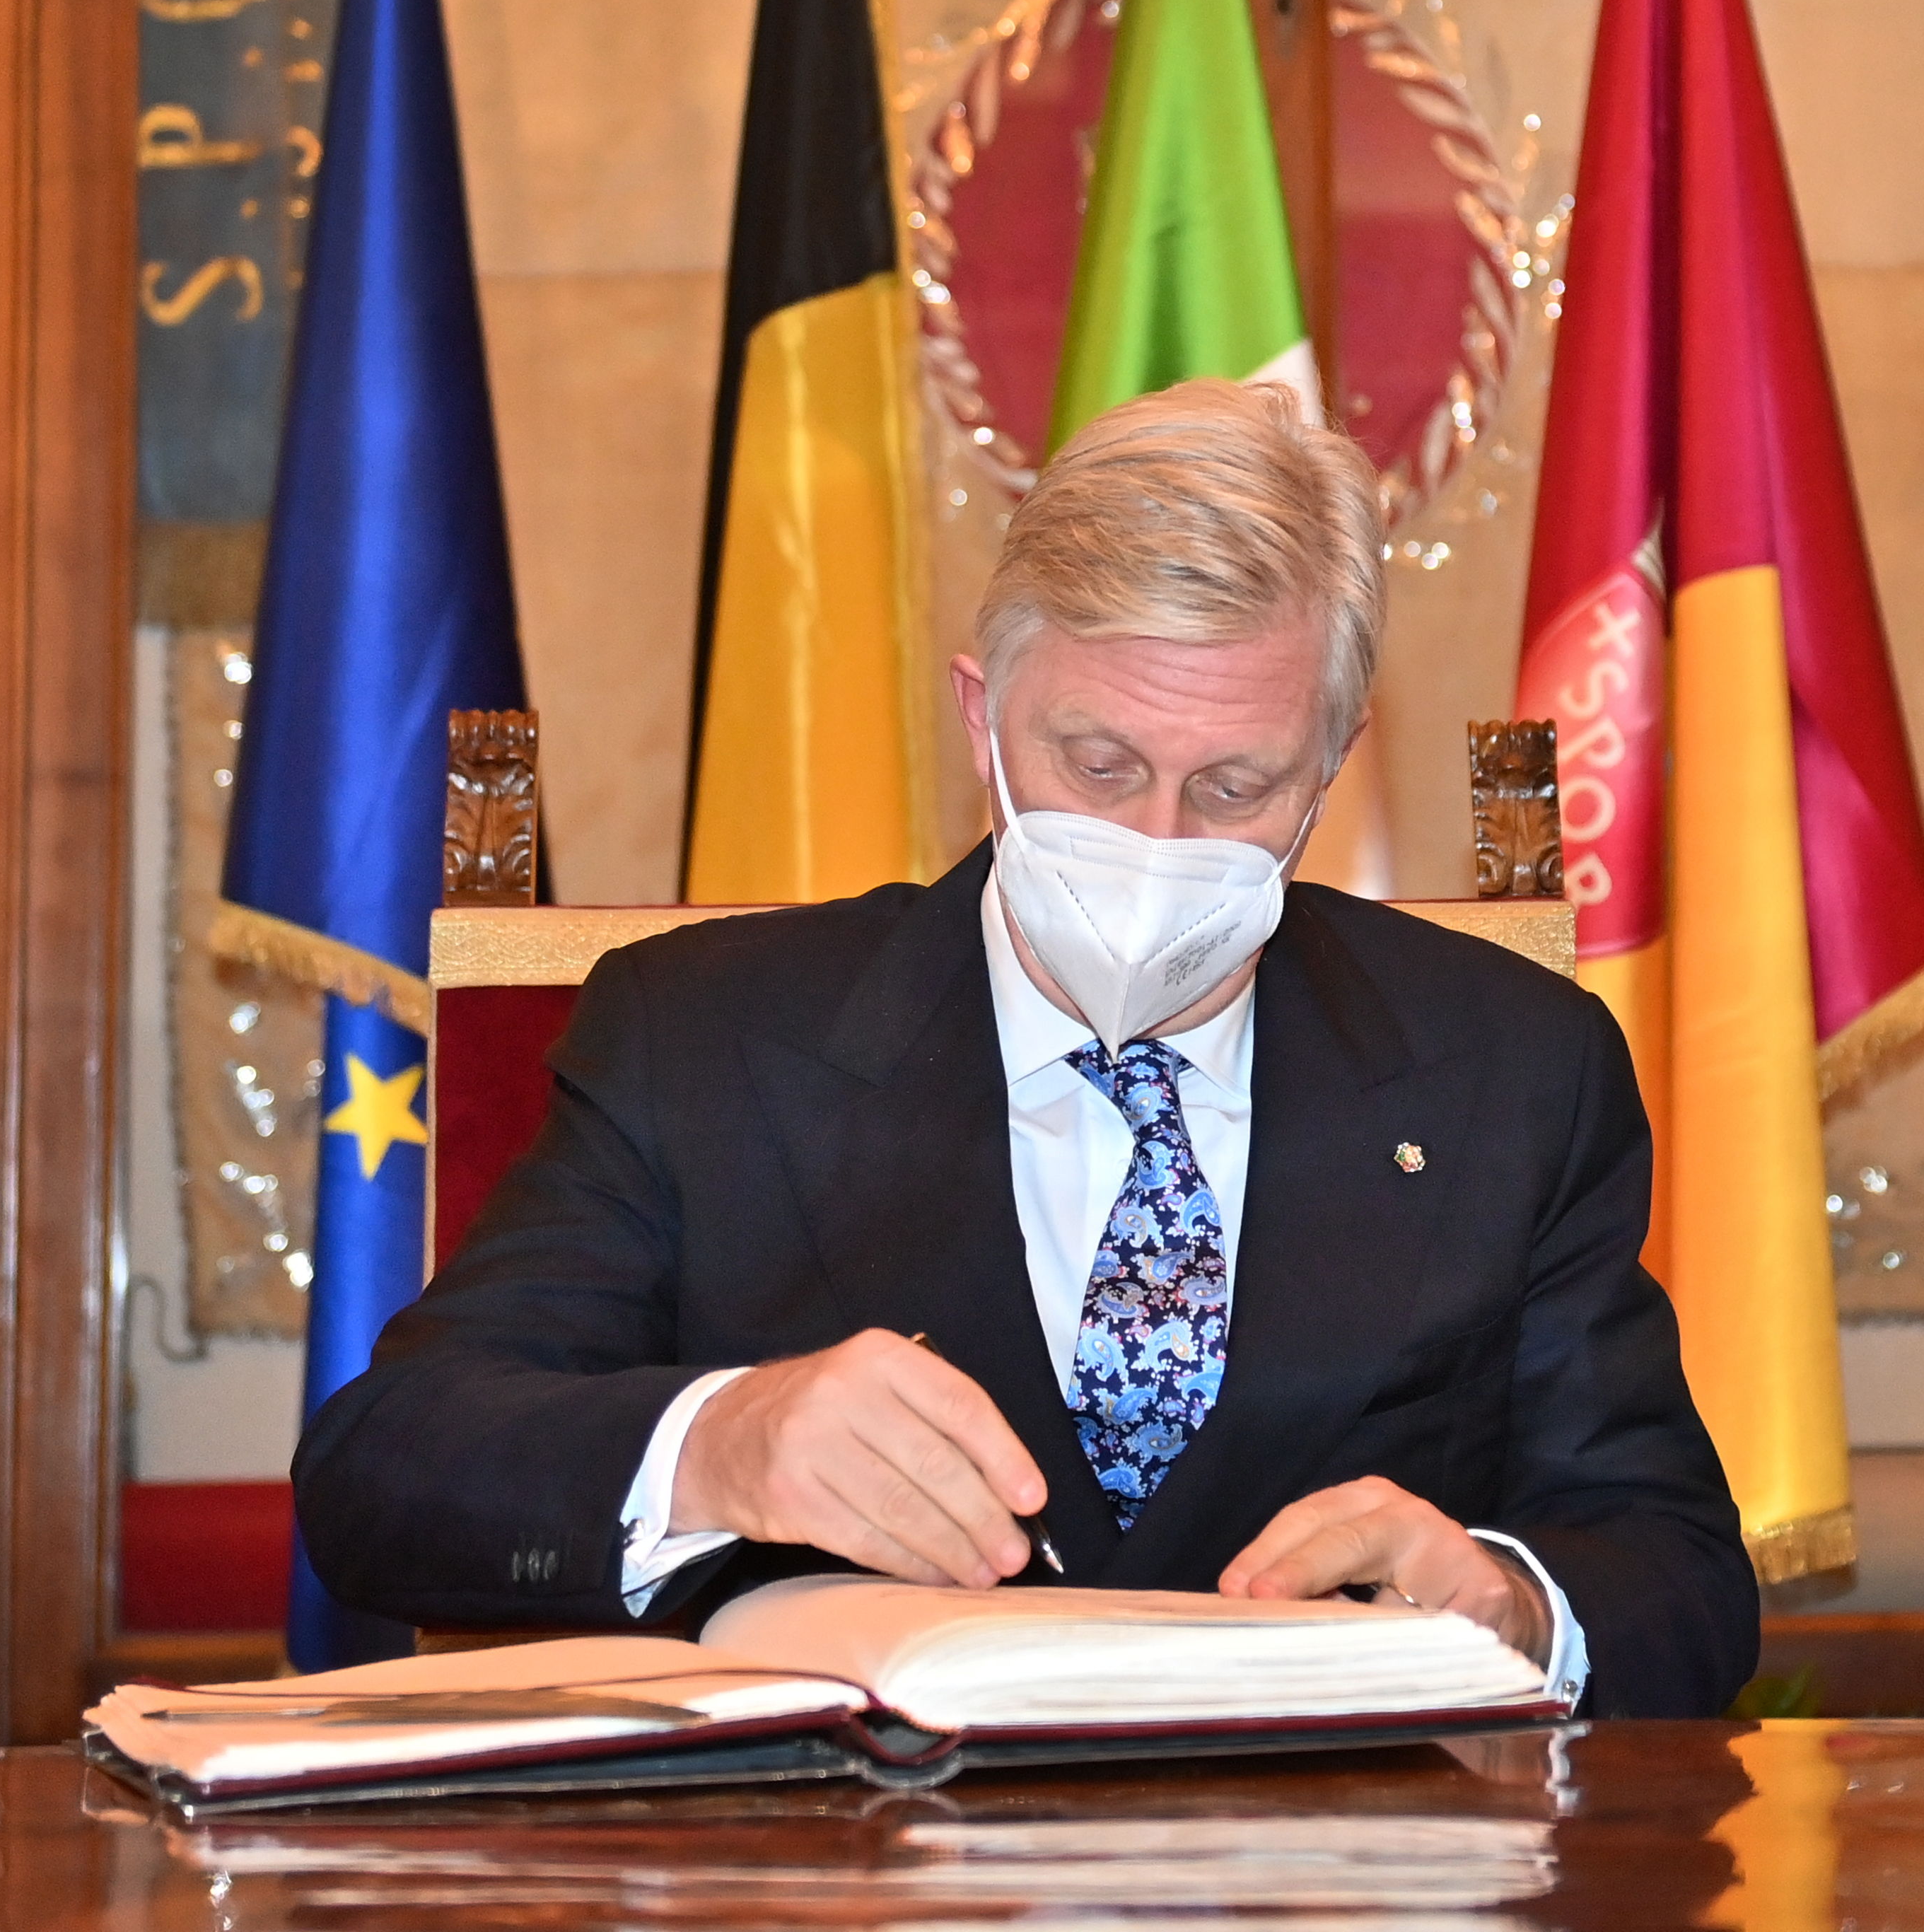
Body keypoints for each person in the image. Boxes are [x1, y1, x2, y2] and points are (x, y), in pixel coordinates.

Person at [298, 380, 1760, 1716]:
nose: (1155, 841)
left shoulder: (1512, 1065)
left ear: (1332, 760)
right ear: (982, 714)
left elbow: (1680, 1578)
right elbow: (385, 1472)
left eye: (1237, 783)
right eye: (1098, 763)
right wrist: (718, 1441)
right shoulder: (710, 1036)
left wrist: (1502, 1600)